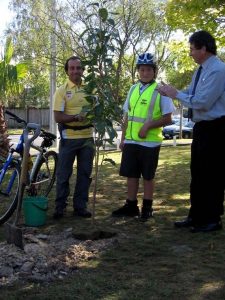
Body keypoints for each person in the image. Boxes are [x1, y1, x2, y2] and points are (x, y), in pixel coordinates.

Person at [158, 30, 225, 232]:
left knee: (211, 174)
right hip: (202, 128)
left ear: (204, 49)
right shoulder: (200, 70)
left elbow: (203, 102)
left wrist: (175, 94)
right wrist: (171, 90)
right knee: (197, 173)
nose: (190, 53)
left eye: (192, 49)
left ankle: (212, 219)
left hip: (216, 128)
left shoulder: (218, 70)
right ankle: (196, 215)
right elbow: (191, 93)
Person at [112, 53, 175, 221]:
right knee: (131, 175)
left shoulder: (161, 90)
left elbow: (168, 118)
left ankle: (147, 207)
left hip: (150, 143)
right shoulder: (132, 89)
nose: (145, 72)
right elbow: (127, 116)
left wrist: (147, 126)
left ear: (154, 71)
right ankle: (131, 206)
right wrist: (123, 138)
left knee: (148, 176)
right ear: (138, 71)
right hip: (131, 141)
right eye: (141, 69)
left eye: (148, 69)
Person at [53, 56, 94, 219]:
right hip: (68, 138)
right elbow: (58, 117)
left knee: (85, 174)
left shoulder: (90, 89)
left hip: (87, 139)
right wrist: (75, 117)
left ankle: (80, 207)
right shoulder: (61, 91)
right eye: (72, 68)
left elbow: (98, 110)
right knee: (63, 174)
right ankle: (60, 207)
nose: (76, 71)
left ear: (83, 70)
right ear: (67, 71)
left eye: (79, 68)